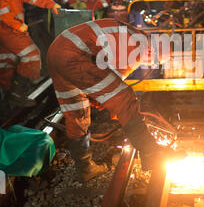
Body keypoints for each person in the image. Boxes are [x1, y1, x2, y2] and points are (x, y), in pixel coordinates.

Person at [47, 18, 184, 181]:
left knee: (76, 112)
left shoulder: (131, 35)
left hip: (55, 53)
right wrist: (116, 108)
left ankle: (85, 168)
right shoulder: (137, 46)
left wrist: (100, 98)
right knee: (125, 97)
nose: (150, 63)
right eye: (155, 60)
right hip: (74, 55)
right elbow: (116, 90)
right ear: (153, 50)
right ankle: (152, 153)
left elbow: (105, 81)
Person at [0, 0, 61, 107]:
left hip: (10, 26)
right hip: (7, 27)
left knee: (6, 61)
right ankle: (16, 96)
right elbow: (1, 7)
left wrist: (51, 4)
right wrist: (16, 25)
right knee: (32, 55)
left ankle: (7, 100)